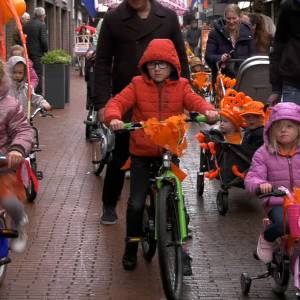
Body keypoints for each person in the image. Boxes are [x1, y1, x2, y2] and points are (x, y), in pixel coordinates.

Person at [104, 39, 217, 271]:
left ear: (172, 67)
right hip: (142, 154)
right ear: (145, 65)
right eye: (153, 64)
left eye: (162, 65)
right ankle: (131, 246)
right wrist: (114, 117)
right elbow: (117, 102)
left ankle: (183, 250)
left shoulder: (182, 85)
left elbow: (195, 101)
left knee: (178, 201)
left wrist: (208, 110)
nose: (157, 69)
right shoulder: (136, 84)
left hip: (168, 150)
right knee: (135, 204)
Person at [94, 0, 190, 225]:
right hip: (128, 98)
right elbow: (103, 62)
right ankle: (109, 203)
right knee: (120, 154)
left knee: (168, 154)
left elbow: (181, 59)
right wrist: (101, 103)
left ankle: (174, 211)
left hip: (164, 100)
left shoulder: (167, 17)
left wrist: (185, 94)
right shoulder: (114, 19)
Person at [245, 102, 300, 263]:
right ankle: (267, 238)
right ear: (271, 130)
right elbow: (252, 176)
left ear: (298, 129)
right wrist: (260, 185)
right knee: (285, 223)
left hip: (299, 201)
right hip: (277, 201)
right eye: (278, 127)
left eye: (289, 126)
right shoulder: (263, 153)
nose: (283, 130)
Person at [0, 59, 34, 253]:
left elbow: (23, 129)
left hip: (4, 161)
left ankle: (19, 221)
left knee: (8, 199)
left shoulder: (10, 105)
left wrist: (16, 149)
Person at [205, 4, 255, 81]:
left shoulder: (247, 32)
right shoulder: (215, 33)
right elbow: (208, 56)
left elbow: (253, 56)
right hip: (223, 79)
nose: (231, 21)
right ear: (224, 17)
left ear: (240, 17)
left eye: (234, 18)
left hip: (243, 78)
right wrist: (221, 58)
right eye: (228, 18)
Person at [268, 0, 300, 105]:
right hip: (293, 83)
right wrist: (276, 88)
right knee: (291, 121)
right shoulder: (288, 8)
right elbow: (277, 48)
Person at [23, 7, 48, 95]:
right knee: (38, 74)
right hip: (38, 54)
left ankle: (28, 92)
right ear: (41, 16)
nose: (45, 17)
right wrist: (46, 52)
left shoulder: (26, 24)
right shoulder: (42, 25)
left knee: (28, 74)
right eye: (44, 15)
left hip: (27, 53)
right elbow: (44, 41)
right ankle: (37, 94)